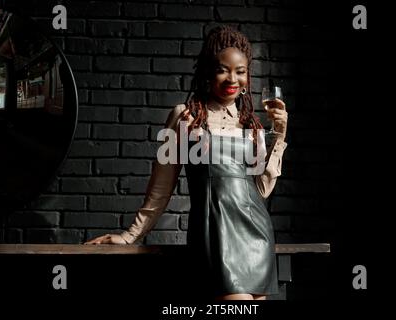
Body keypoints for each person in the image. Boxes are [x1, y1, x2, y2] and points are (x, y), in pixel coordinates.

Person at [85, 25, 288, 301]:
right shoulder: (185, 117)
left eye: (240, 71)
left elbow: (260, 191)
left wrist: (278, 134)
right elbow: (161, 186)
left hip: (256, 234)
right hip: (216, 233)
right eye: (222, 69)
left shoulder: (249, 123)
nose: (232, 78)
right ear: (207, 72)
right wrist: (131, 235)